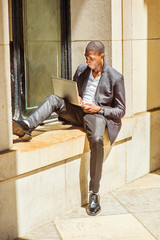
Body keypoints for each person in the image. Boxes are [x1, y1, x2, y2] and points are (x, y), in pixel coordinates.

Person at [13, 40, 126, 216]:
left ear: (102, 56)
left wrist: (99, 108)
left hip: (96, 115)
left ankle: (94, 193)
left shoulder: (115, 77)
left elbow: (121, 110)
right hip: (79, 111)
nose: (87, 62)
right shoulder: (82, 70)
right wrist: (77, 99)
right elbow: (73, 91)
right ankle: (26, 126)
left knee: (96, 139)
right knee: (53, 99)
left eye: (91, 58)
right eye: (86, 58)